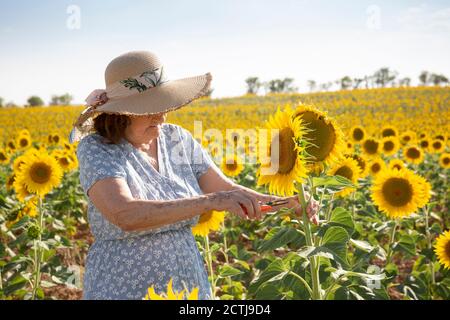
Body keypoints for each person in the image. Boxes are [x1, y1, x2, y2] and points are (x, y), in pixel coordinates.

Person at [71, 51, 319, 300]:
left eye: (162, 106)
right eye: (148, 109)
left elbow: (228, 190)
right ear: (119, 113)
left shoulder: (175, 138)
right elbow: (125, 214)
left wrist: (286, 204)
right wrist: (208, 202)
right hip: (124, 288)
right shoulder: (98, 149)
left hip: (187, 284)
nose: (161, 116)